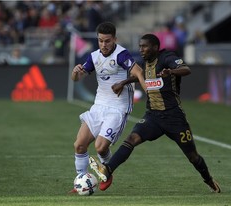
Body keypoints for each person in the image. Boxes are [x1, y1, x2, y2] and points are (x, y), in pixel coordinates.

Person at [89, 33, 221, 193]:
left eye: (144, 46)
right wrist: (123, 82)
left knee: (193, 156)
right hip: (153, 116)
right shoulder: (146, 62)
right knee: (132, 139)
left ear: (155, 48)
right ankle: (108, 169)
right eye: (140, 46)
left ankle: (208, 179)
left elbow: (186, 69)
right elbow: (141, 76)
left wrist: (171, 72)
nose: (141, 49)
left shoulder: (167, 58)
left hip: (174, 118)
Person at [69, 22, 146, 193]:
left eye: (107, 41)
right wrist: (75, 72)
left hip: (118, 108)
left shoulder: (121, 55)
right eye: (101, 41)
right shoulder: (94, 56)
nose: (104, 45)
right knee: (79, 145)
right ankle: (81, 180)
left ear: (115, 39)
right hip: (99, 106)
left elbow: (139, 71)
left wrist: (147, 90)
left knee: (100, 147)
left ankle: (107, 171)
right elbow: (77, 78)